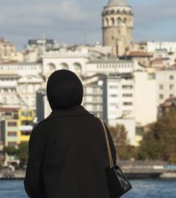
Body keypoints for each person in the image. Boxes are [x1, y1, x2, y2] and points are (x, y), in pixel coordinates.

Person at [24, 69, 116, 198]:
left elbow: (33, 183)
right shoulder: (99, 126)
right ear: (80, 93)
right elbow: (111, 168)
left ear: (51, 96)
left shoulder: (42, 130)